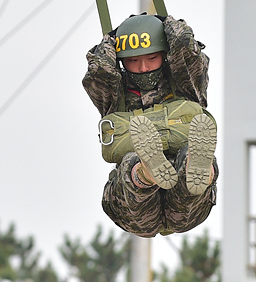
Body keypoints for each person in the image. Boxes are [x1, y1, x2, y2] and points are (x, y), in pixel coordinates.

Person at [82, 13, 218, 237]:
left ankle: (199, 170)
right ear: (121, 61)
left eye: (152, 58)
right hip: (134, 210)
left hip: (187, 208)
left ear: (165, 55)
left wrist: (167, 25)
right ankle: (146, 172)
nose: (143, 67)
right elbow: (99, 71)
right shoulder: (114, 94)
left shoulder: (185, 84)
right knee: (131, 161)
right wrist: (111, 39)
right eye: (133, 61)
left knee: (192, 155)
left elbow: (186, 49)